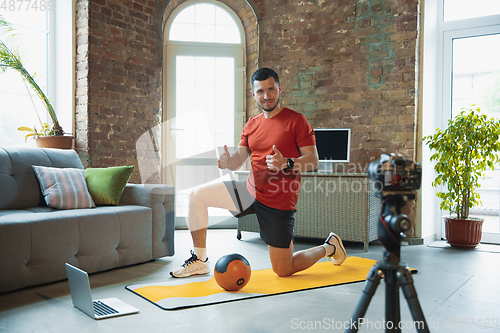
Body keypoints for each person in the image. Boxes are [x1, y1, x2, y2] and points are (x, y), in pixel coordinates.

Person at [170, 68, 346, 278]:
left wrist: (287, 163)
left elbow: (313, 160)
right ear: (254, 95)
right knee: (196, 196)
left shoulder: (296, 120)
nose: (266, 95)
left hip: (278, 202)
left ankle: (329, 246)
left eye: (271, 89)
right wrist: (228, 161)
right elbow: (238, 159)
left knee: (283, 269)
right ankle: (199, 260)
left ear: (279, 89)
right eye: (260, 91)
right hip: (250, 191)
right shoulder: (252, 124)